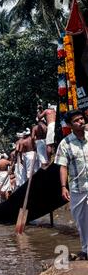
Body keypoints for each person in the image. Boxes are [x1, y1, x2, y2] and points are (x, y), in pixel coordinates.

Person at [55, 109, 88, 260]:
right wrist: (63, 187)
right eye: (76, 120)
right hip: (77, 188)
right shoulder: (65, 143)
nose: (81, 121)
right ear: (70, 125)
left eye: (82, 118)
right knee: (81, 221)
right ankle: (86, 249)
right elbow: (63, 166)